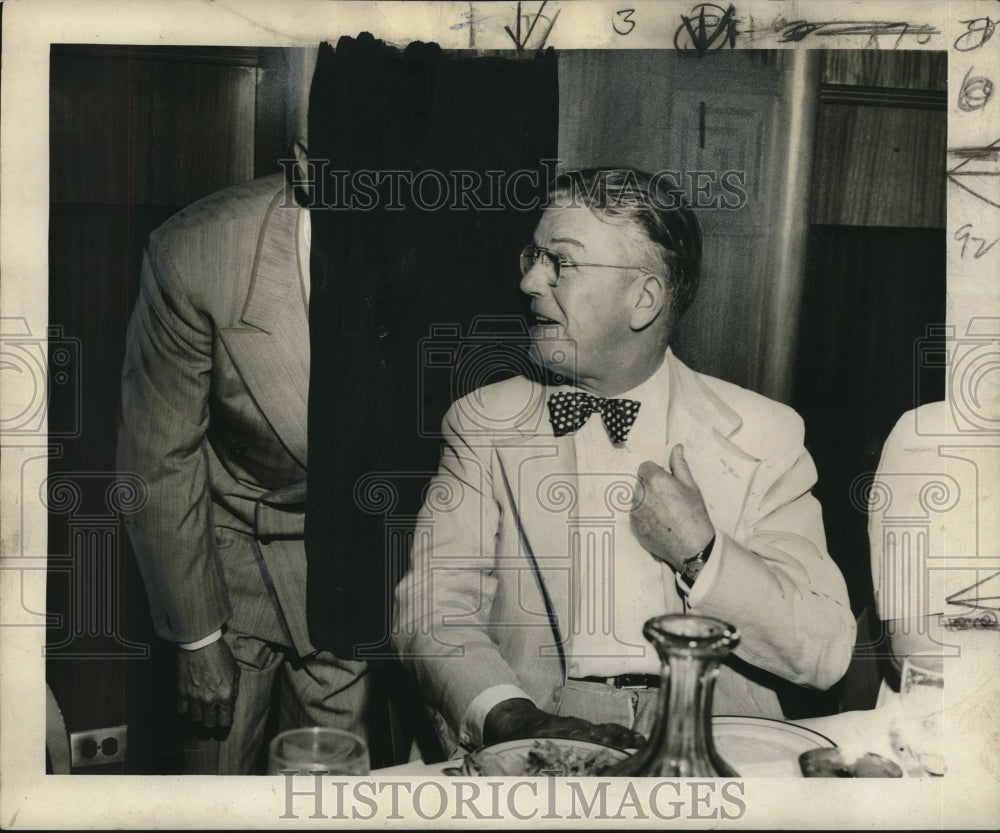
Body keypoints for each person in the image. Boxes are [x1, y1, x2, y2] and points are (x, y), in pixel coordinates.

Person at [392, 167, 857, 755]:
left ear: (643, 298)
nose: (532, 282)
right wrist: (509, 717)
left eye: (561, 262)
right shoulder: (484, 420)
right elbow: (431, 611)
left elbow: (825, 651)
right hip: (532, 722)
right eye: (532, 257)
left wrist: (702, 553)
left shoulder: (766, 434)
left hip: (711, 734)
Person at [116, 52, 372, 774]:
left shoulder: (442, 246)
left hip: (352, 575)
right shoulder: (194, 254)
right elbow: (156, 457)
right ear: (305, 164)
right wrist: (196, 639)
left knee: (335, 798)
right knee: (214, 789)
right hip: (226, 570)